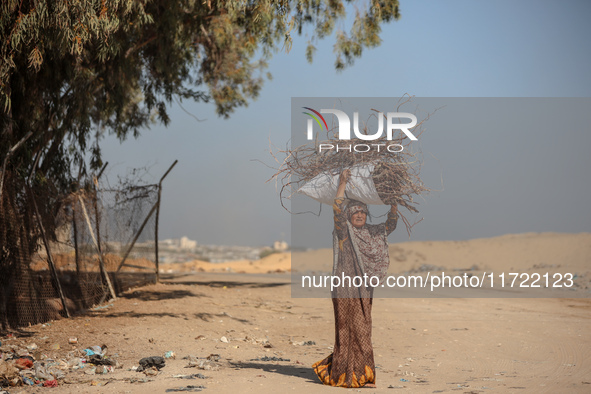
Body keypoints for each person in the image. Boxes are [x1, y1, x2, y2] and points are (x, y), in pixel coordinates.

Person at [312, 168, 398, 388]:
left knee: (363, 329)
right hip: (343, 288)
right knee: (345, 329)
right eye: (355, 213)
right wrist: (342, 182)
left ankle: (363, 374)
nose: (359, 215)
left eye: (362, 213)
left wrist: (394, 203)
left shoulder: (371, 233)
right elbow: (338, 208)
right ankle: (345, 374)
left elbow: (390, 225)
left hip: (363, 289)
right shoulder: (343, 231)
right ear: (349, 217)